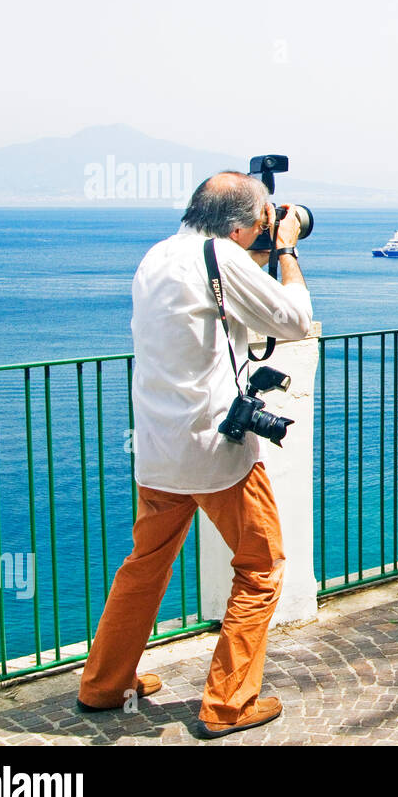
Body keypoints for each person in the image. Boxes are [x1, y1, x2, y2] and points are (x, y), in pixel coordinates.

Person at [76, 171, 313, 736]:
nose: (263, 229)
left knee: (145, 565)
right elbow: (295, 320)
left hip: (157, 450)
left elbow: (215, 296)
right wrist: (285, 250)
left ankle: (106, 685)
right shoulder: (221, 257)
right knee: (260, 568)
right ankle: (229, 704)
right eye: (258, 221)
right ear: (238, 226)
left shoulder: (157, 256)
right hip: (216, 452)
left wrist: (258, 246)